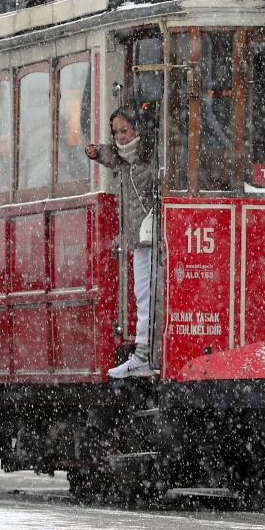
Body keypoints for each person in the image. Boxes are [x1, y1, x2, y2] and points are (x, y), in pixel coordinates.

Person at [85, 106, 158, 379]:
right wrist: (95, 152)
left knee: (150, 297)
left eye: (124, 130)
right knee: (143, 296)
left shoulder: (150, 156)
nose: (120, 137)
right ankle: (143, 355)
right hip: (140, 238)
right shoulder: (123, 158)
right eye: (116, 132)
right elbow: (110, 154)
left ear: (138, 128)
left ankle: (146, 355)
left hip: (155, 237)